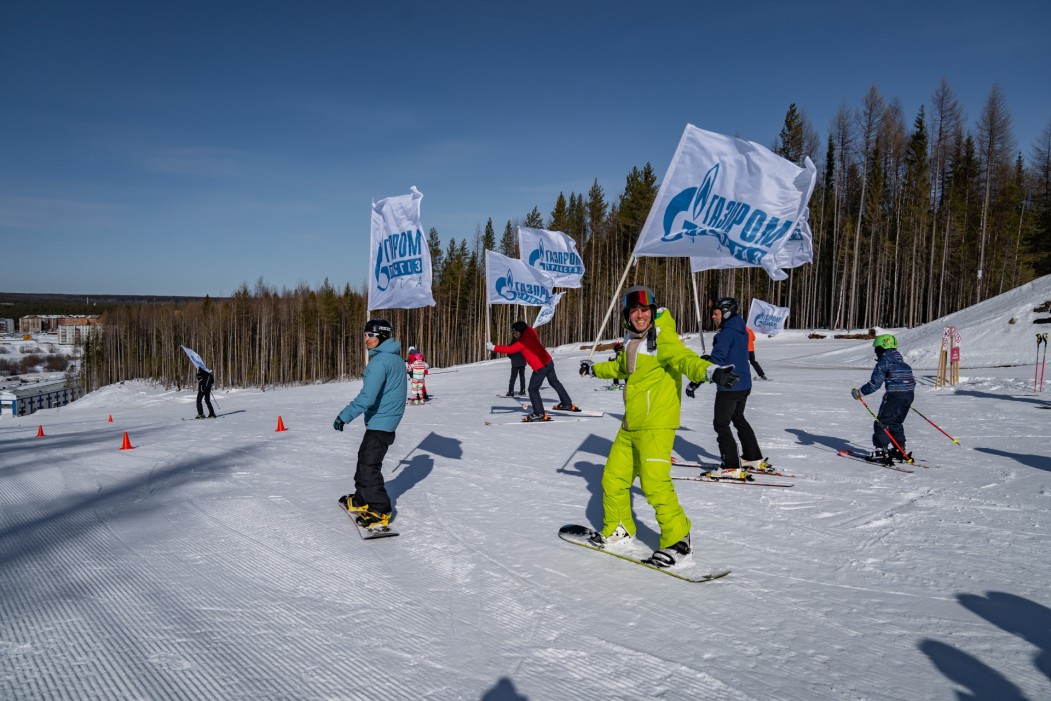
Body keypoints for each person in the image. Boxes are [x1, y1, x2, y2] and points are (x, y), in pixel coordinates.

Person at [578, 285, 738, 568]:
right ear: (627, 316)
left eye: (645, 310)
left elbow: (684, 359)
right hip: (631, 425)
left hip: (656, 425)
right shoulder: (631, 341)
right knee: (613, 479)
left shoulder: (663, 339)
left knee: (654, 484)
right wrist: (594, 369)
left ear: (653, 312)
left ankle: (678, 540)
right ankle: (619, 528)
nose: (640, 316)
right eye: (634, 311)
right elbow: (619, 369)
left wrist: (711, 372)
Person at [333, 319, 407, 530]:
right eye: (365, 335)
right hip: (386, 418)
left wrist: (344, 416)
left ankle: (380, 508)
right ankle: (361, 498)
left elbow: (367, 397)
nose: (366, 339)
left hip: (382, 420)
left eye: (371, 335)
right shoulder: (394, 359)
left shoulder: (380, 362)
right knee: (364, 460)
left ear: (382, 336)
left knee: (369, 466)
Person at [701, 297, 765, 478]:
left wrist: (704, 365)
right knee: (738, 418)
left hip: (729, 387)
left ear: (727, 313)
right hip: (744, 384)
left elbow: (717, 361)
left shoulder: (724, 335)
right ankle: (752, 457)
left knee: (721, 423)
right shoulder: (742, 330)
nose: (713, 317)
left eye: (716, 313)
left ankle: (730, 465)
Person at [487, 320, 576, 421]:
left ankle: (539, 413)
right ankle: (567, 403)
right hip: (548, 361)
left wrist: (493, 347)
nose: (514, 334)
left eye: (515, 332)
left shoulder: (523, 342)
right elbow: (531, 329)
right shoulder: (531, 332)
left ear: (521, 331)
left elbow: (510, 349)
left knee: (532, 390)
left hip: (540, 367)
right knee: (554, 382)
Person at [851, 334, 916, 461]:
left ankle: (881, 451)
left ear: (882, 348)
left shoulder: (883, 362)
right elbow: (912, 382)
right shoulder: (904, 364)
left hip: (894, 395)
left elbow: (875, 384)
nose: (876, 353)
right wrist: (904, 396)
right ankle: (899, 448)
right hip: (908, 395)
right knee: (895, 422)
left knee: (882, 422)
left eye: (877, 349)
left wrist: (859, 393)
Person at [505, 332, 527, 397]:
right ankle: (522, 391)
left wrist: (512, 357)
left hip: (515, 362)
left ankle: (511, 391)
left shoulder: (513, 342)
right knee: (522, 377)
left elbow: (508, 351)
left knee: (513, 377)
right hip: (522, 362)